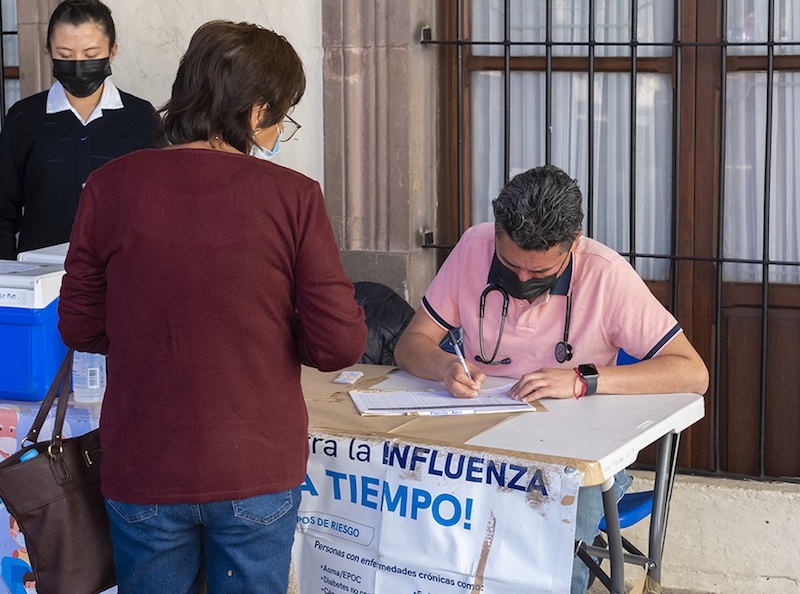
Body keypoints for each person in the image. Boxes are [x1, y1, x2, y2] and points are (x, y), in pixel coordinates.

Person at [58, 20, 366, 594]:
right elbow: (339, 344)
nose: (279, 129)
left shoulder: (108, 186)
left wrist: (148, 329)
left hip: (143, 462)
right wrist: (272, 333)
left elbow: (79, 323)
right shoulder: (293, 196)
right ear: (256, 112)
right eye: (283, 114)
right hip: (255, 465)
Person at [394, 164, 709, 594]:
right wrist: (444, 365)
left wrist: (583, 380)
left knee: (555, 536)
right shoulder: (474, 247)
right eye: (508, 266)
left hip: (573, 458)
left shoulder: (605, 274)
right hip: (480, 443)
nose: (522, 281)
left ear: (574, 243)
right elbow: (411, 343)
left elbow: (692, 371)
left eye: (539, 274)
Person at [0, 0, 157, 260]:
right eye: (65, 55)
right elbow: (3, 212)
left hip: (118, 279)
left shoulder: (139, 117)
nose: (78, 64)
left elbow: (155, 209)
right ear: (49, 51)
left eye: (91, 55)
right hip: (42, 282)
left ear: (113, 52)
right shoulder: (24, 118)